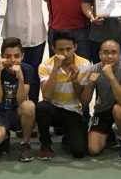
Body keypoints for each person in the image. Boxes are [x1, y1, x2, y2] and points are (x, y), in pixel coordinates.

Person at [0, 0, 47, 103]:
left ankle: (31, 108)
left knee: (33, 75)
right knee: (11, 74)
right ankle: (11, 109)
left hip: (37, 36)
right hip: (13, 36)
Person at [35, 31, 92, 159]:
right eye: (61, 50)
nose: (65, 54)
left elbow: (83, 100)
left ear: (75, 47)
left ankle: (68, 137)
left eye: (68, 49)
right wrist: (55, 68)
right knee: (41, 107)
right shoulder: (45, 66)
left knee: (79, 152)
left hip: (74, 112)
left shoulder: (85, 64)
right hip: (54, 109)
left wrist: (75, 80)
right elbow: (47, 95)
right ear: (53, 49)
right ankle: (45, 144)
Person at [81, 40, 121, 159]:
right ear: (100, 54)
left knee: (120, 110)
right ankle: (108, 133)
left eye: (114, 53)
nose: (109, 56)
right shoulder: (94, 69)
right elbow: (84, 102)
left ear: (120, 55)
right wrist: (89, 85)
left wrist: (111, 76)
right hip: (102, 109)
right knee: (93, 150)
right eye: (105, 52)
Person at [0, 37, 38, 162]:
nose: (12, 60)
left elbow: (21, 100)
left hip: (17, 113)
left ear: (22, 56)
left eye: (16, 56)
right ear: (1, 56)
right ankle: (4, 136)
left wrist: (20, 78)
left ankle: (25, 143)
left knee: (29, 106)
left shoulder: (27, 70)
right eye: (8, 56)